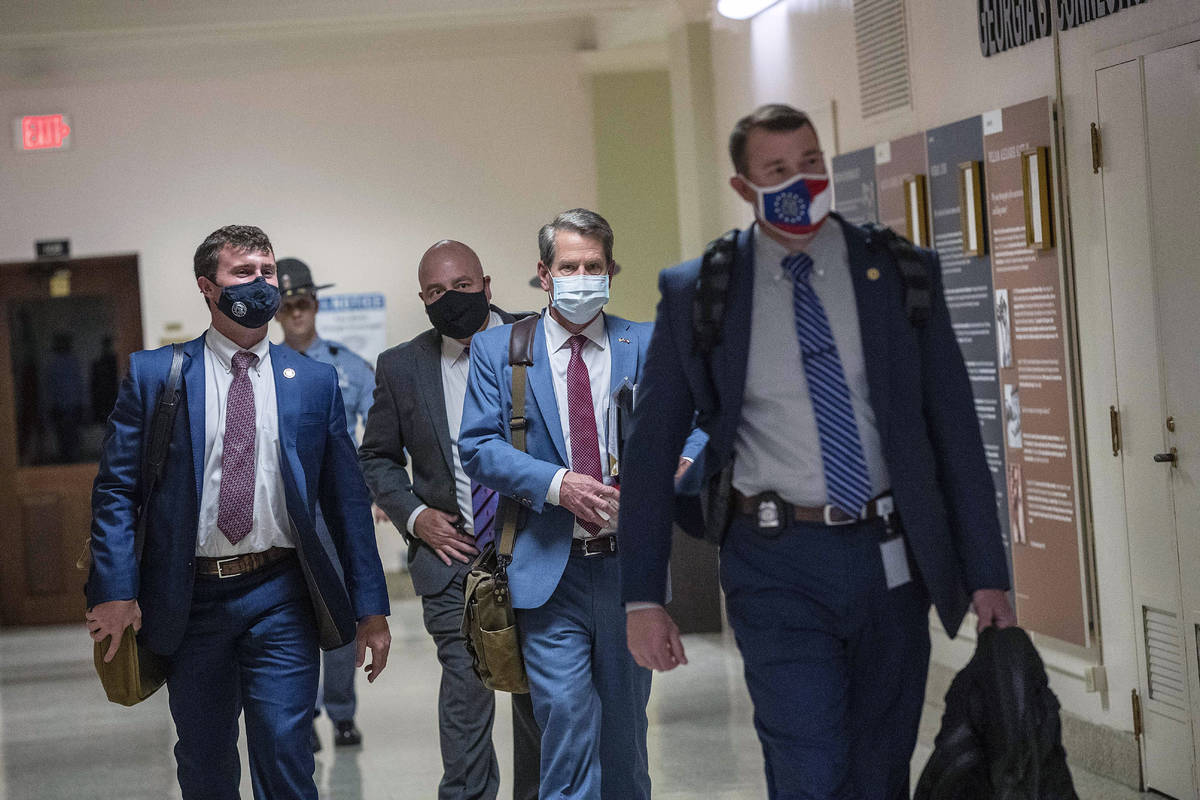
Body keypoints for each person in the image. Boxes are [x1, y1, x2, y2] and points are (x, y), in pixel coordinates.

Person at [618, 104, 1016, 800]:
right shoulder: (701, 292)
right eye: (777, 170)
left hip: (889, 559)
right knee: (809, 763)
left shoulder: (897, 272)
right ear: (744, 187)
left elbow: (953, 430)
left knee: (878, 769)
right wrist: (643, 598)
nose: (800, 181)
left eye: (810, 163)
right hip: (774, 562)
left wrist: (987, 572)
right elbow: (651, 454)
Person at [85, 225, 391, 800]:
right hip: (190, 597)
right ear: (207, 286)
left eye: (267, 272)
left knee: (284, 747)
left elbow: (347, 504)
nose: (261, 284)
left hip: (280, 593)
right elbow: (117, 492)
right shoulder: (157, 377)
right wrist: (115, 589)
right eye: (243, 273)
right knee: (204, 760)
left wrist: (371, 608)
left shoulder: (315, 382)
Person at [459, 210, 703, 800]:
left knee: (624, 739)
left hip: (629, 574)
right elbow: (479, 446)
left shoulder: (644, 342)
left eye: (593, 266)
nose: (582, 276)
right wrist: (557, 484)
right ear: (543, 275)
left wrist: (681, 464)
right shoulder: (500, 350)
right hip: (549, 571)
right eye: (569, 266)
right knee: (566, 723)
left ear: (612, 271)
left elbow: (698, 422)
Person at [359, 239, 541, 800]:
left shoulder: (538, 339)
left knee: (541, 699)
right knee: (466, 698)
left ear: (487, 285)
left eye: (461, 286)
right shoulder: (402, 366)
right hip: (453, 559)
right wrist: (414, 516)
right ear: (422, 299)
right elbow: (376, 456)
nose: (450, 299)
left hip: (537, 549)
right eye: (436, 291)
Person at [274, 256, 377, 751]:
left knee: (338, 612)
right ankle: (303, 712)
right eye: (288, 304)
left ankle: (341, 711)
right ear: (276, 311)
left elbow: (377, 441)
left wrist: (375, 496)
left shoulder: (348, 365)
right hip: (282, 509)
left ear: (316, 305)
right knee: (291, 614)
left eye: (304, 302)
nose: (297, 312)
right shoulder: (261, 369)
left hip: (332, 507)